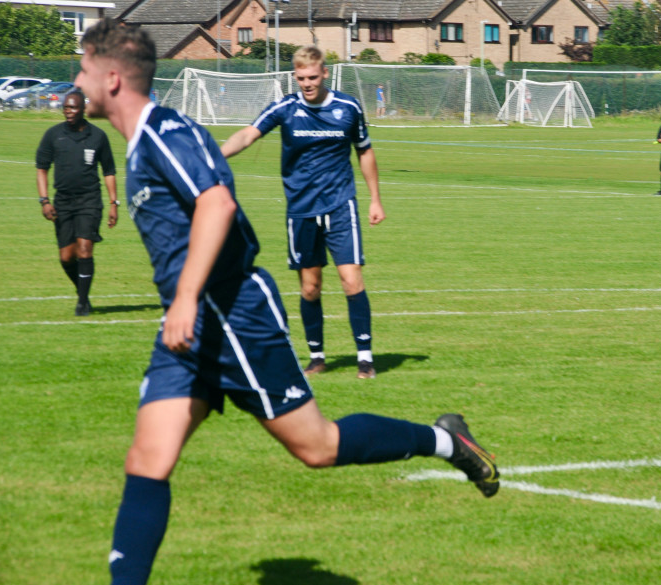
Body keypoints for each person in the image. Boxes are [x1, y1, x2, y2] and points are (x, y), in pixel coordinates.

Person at [75, 19, 499, 585]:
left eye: (81, 69)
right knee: (146, 461)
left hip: (232, 315)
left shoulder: (161, 134)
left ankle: (447, 440)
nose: (76, 82)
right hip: (192, 326)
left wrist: (184, 298)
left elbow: (217, 205)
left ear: (110, 77)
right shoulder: (144, 142)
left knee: (318, 447)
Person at [222, 45, 385, 379]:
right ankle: (317, 357)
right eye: (301, 78)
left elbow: (364, 152)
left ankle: (365, 359)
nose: (307, 83)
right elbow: (248, 135)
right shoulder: (286, 107)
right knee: (310, 287)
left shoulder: (348, 107)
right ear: (295, 77)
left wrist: (375, 199)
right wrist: (213, 156)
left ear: (324, 73)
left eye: (312, 77)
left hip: (342, 205)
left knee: (351, 280)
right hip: (301, 210)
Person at [36, 90, 119, 316]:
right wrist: (44, 200)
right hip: (62, 202)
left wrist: (114, 203)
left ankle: (82, 303)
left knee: (84, 249)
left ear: (83, 109)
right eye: (66, 108)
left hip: (89, 201)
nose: (68, 112)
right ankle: (83, 293)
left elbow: (109, 171)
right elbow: (42, 169)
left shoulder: (98, 136)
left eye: (73, 108)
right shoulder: (53, 135)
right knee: (66, 257)